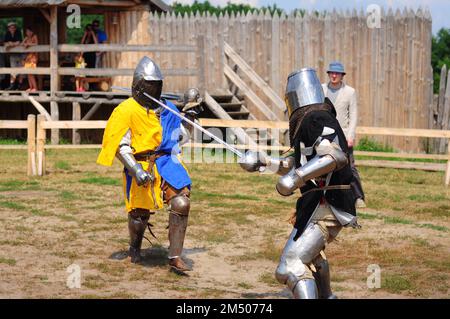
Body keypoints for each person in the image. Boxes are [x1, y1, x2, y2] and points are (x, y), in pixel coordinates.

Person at [239, 68, 359, 299]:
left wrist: (295, 178)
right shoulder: (311, 120)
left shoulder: (316, 118)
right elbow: (300, 162)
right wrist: (264, 162)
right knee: (312, 257)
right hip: (316, 205)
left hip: (327, 204)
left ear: (295, 98)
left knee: (291, 266)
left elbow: (336, 156)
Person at [97, 56, 193, 272]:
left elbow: (181, 137)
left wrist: (189, 121)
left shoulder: (167, 108)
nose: (154, 89)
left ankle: (175, 257)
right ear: (139, 85)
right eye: (150, 85)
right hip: (140, 163)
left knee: (181, 203)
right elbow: (120, 145)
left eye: (157, 85)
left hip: (167, 162)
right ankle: (135, 248)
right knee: (139, 213)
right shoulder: (126, 110)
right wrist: (136, 169)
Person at [322, 61, 366, 208]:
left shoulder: (350, 92)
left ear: (342, 75)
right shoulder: (321, 89)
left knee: (350, 166)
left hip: (344, 135)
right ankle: (326, 197)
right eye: (331, 73)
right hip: (325, 135)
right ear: (328, 74)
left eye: (337, 73)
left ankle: (358, 197)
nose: (334, 75)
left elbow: (353, 115)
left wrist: (351, 136)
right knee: (324, 166)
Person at [4, 21, 23, 90]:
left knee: (21, 70)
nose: (12, 28)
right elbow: (5, 44)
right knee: (13, 70)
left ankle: (19, 86)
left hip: (20, 54)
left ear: (15, 28)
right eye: (11, 27)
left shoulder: (18, 32)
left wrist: (11, 44)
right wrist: (11, 44)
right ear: (8, 28)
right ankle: (12, 85)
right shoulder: (7, 33)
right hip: (12, 55)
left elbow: (19, 42)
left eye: (13, 27)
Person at [22, 27, 38, 92]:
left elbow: (36, 44)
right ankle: (31, 87)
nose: (28, 33)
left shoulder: (34, 36)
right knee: (28, 73)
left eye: (29, 31)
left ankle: (35, 88)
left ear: (32, 32)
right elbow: (22, 44)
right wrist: (25, 43)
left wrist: (28, 44)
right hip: (28, 57)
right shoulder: (26, 38)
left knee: (31, 73)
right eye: (27, 32)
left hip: (33, 56)